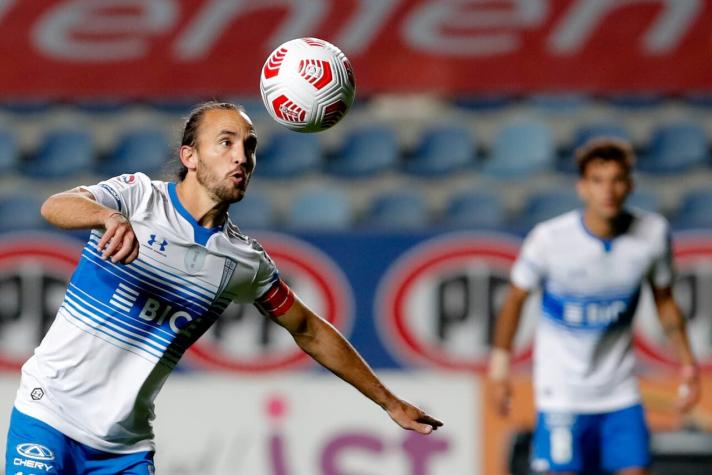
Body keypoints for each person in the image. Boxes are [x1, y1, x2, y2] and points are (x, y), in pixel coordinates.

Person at [5, 101, 443, 474]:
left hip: (125, 446)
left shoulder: (245, 261)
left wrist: (389, 402)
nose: (242, 157)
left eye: (249, 147)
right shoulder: (138, 197)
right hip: (49, 414)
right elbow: (55, 205)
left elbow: (307, 328)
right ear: (190, 156)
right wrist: (107, 217)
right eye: (226, 142)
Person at [488, 138, 700, 475]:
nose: (608, 190)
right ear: (582, 188)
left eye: (617, 180)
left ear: (629, 185)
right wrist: (499, 370)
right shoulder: (550, 240)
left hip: (620, 393)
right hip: (562, 395)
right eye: (598, 181)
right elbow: (515, 299)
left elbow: (664, 300)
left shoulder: (653, 235)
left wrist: (688, 364)